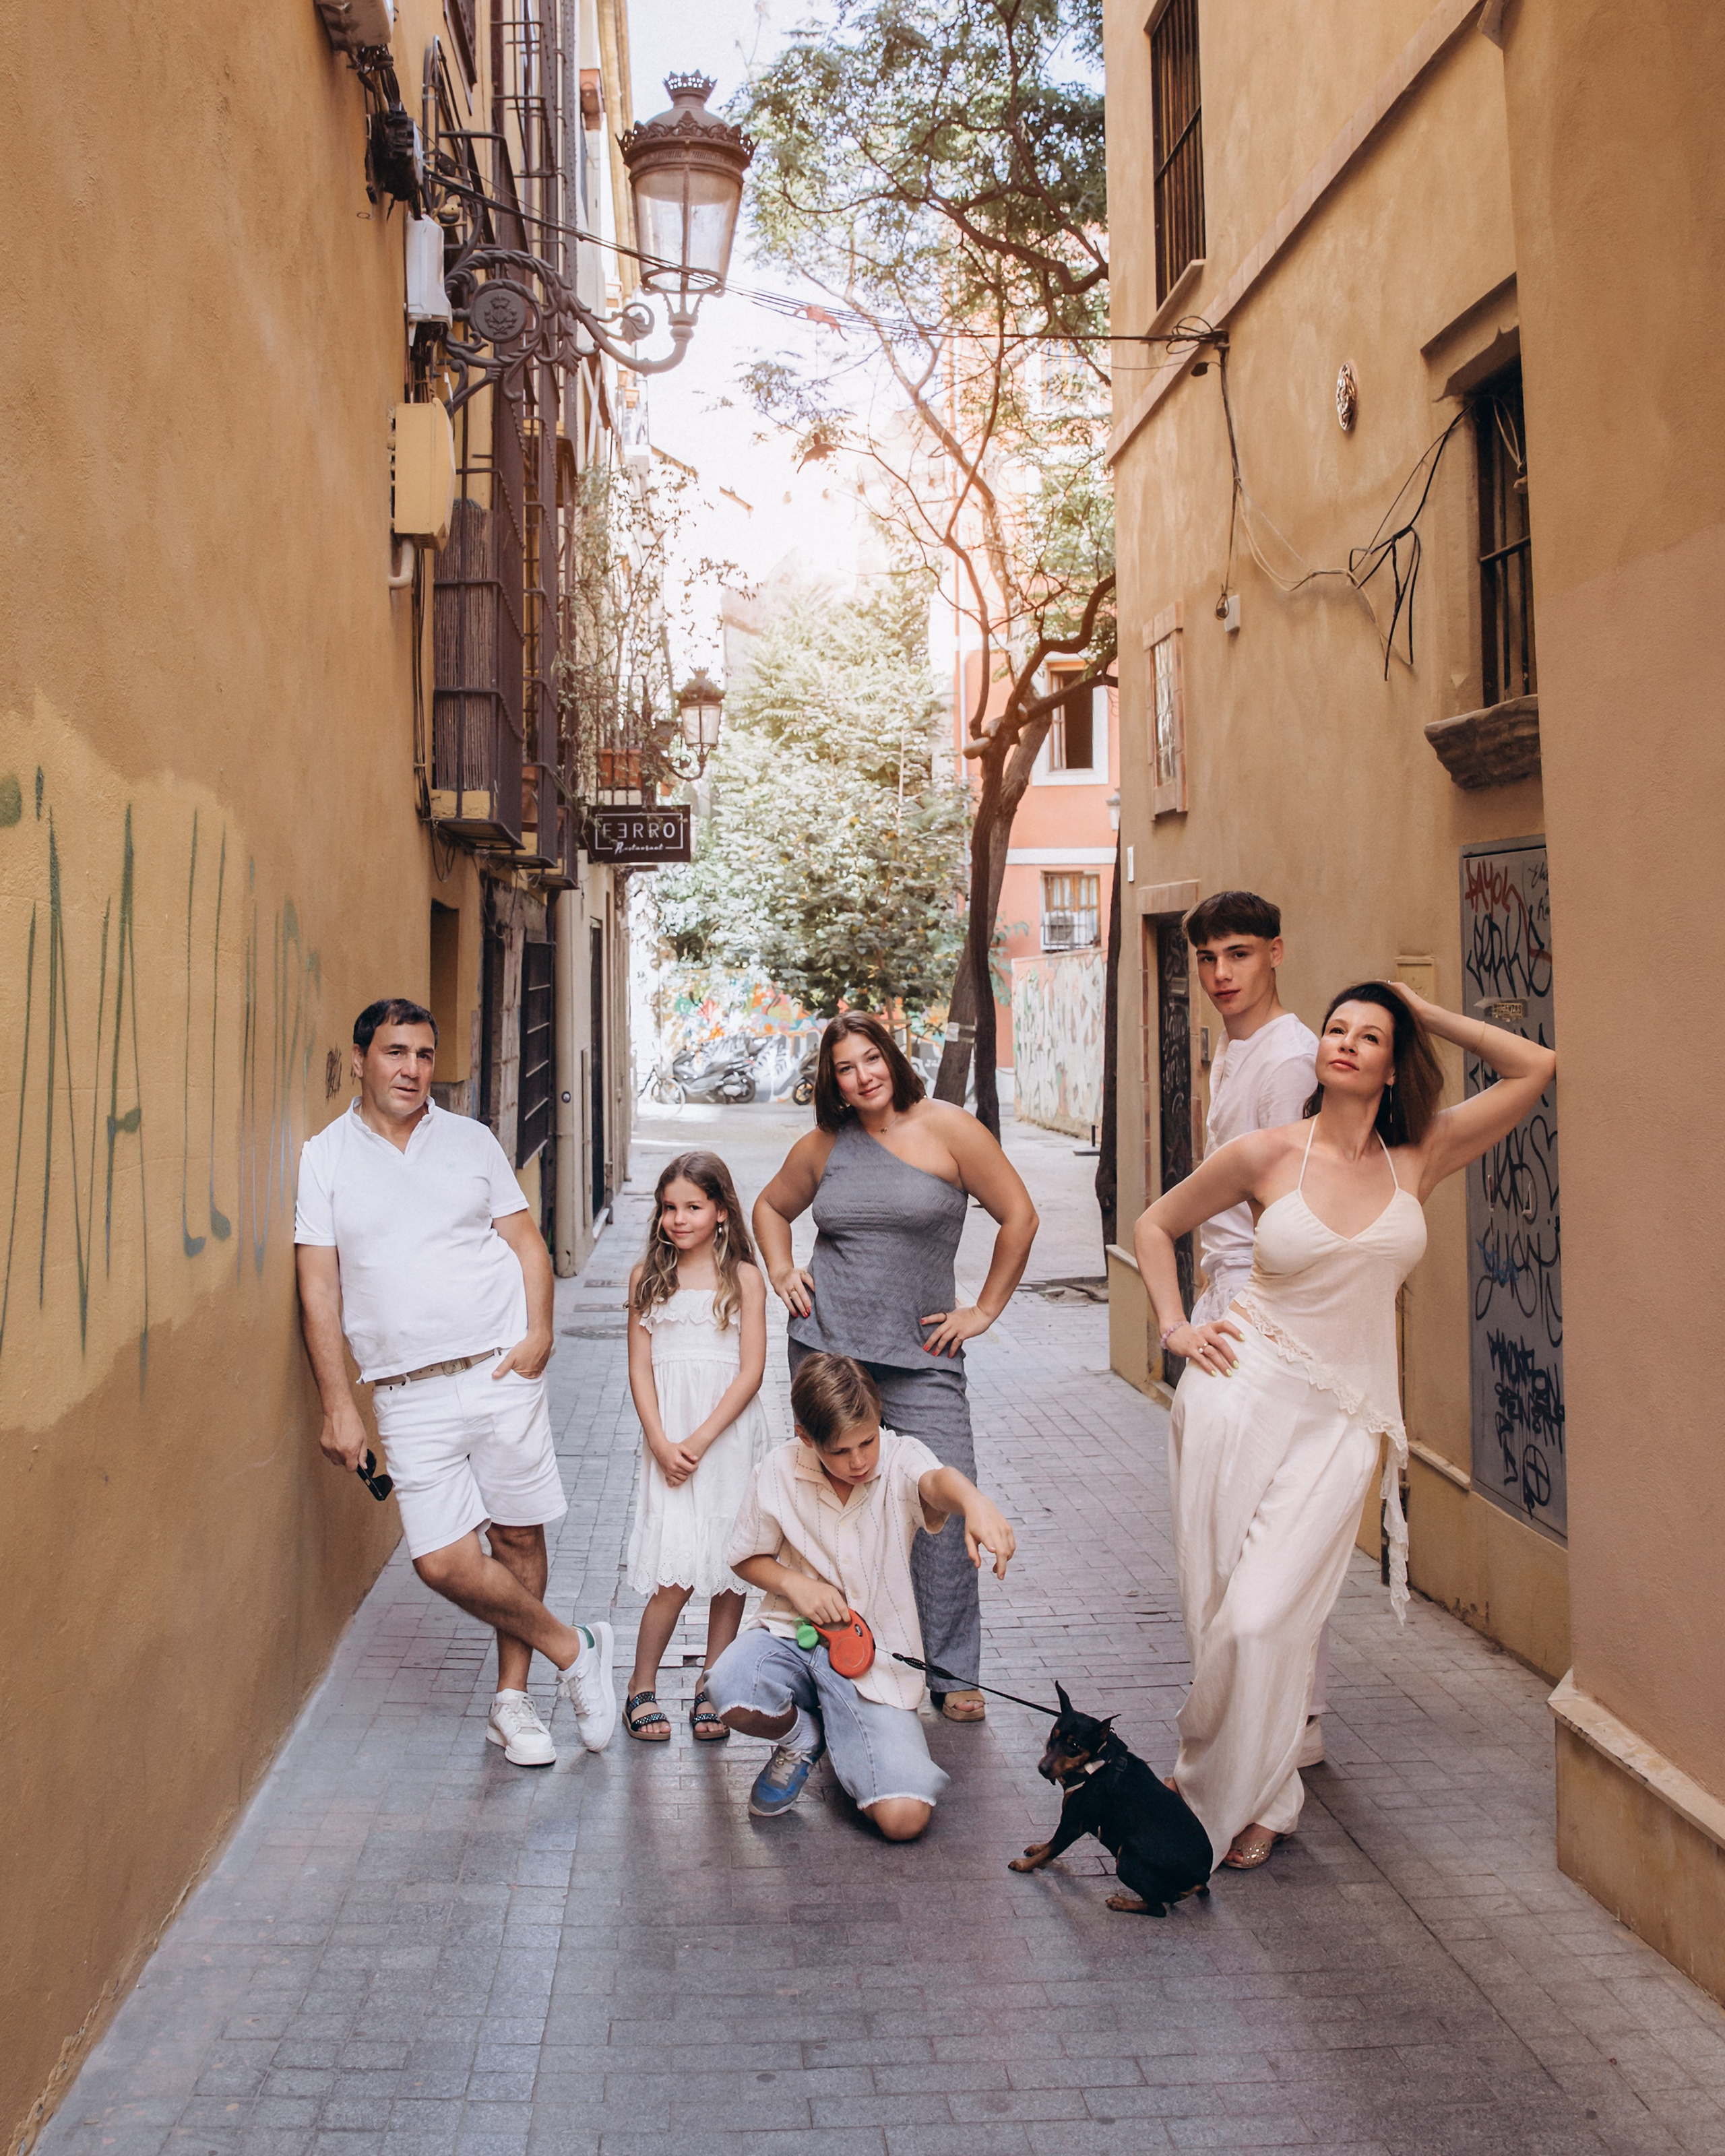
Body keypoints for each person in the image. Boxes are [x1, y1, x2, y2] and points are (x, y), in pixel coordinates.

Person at [1133, 981, 1555, 1873]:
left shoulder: (1421, 1156)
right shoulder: (1266, 1153)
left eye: (1370, 1035)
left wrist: (1419, 1007)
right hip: (1241, 1390)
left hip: (1344, 1418)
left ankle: (1218, 1784)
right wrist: (1177, 1329)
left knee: (1269, 1616)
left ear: (1392, 1062)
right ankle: (1266, 1790)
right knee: (1222, 1615)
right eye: (1336, 1028)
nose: (1347, 1043)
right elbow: (1157, 1221)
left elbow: (1537, 1067)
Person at [294, 997, 617, 1769]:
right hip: (406, 1391)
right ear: (362, 1056)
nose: (411, 1069)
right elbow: (319, 1288)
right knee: (439, 1559)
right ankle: (577, 1649)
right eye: (395, 1052)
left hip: (498, 1368)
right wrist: (339, 1404)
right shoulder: (324, 1156)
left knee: (516, 1534)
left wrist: (539, 1332)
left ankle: (513, 1702)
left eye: (424, 1054)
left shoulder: (470, 1141)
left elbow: (527, 1243)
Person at [752, 1012, 1038, 1722]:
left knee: (942, 1503)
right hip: (830, 1349)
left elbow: (1020, 1215)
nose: (862, 1075)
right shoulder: (825, 1143)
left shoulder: (950, 1128)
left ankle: (950, 1670)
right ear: (834, 1080)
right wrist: (781, 1269)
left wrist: (984, 1310)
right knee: (832, 1514)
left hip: (924, 1354)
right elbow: (769, 1206)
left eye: (870, 1058)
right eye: (845, 1067)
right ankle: (834, 1658)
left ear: (892, 1057)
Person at [706, 1352, 1017, 1835]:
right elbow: (745, 1556)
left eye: (867, 1441)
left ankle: (849, 1728)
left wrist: (975, 1503)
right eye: (840, 1451)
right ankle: (803, 1736)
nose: (859, 1461)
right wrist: (794, 1583)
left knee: (904, 1821)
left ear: (878, 1420)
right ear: (805, 1437)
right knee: (726, 1689)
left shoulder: (898, 1457)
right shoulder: (777, 1470)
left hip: (876, 1665)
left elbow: (937, 1482)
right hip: (792, 1637)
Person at [1184, 891, 1329, 1767]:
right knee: (1232, 1525)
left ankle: (1289, 1726)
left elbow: (1297, 1202)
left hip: (1260, 1305)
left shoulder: (1287, 1059)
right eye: (1207, 958)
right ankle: (1275, 1718)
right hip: (1221, 1298)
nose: (1221, 974)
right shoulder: (1234, 1053)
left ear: (1277, 951)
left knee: (1262, 1527)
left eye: (1238, 954)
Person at [621, 1151, 771, 1744]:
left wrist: (702, 1440)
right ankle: (640, 1686)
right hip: (669, 1441)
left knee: (728, 1567)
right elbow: (639, 1368)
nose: (678, 1219)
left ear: (721, 1213)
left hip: (728, 1439)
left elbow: (752, 1370)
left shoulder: (745, 1278)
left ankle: (713, 1686)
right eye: (668, 1208)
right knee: (674, 1570)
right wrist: (661, 1441)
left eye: (692, 1207)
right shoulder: (647, 1279)